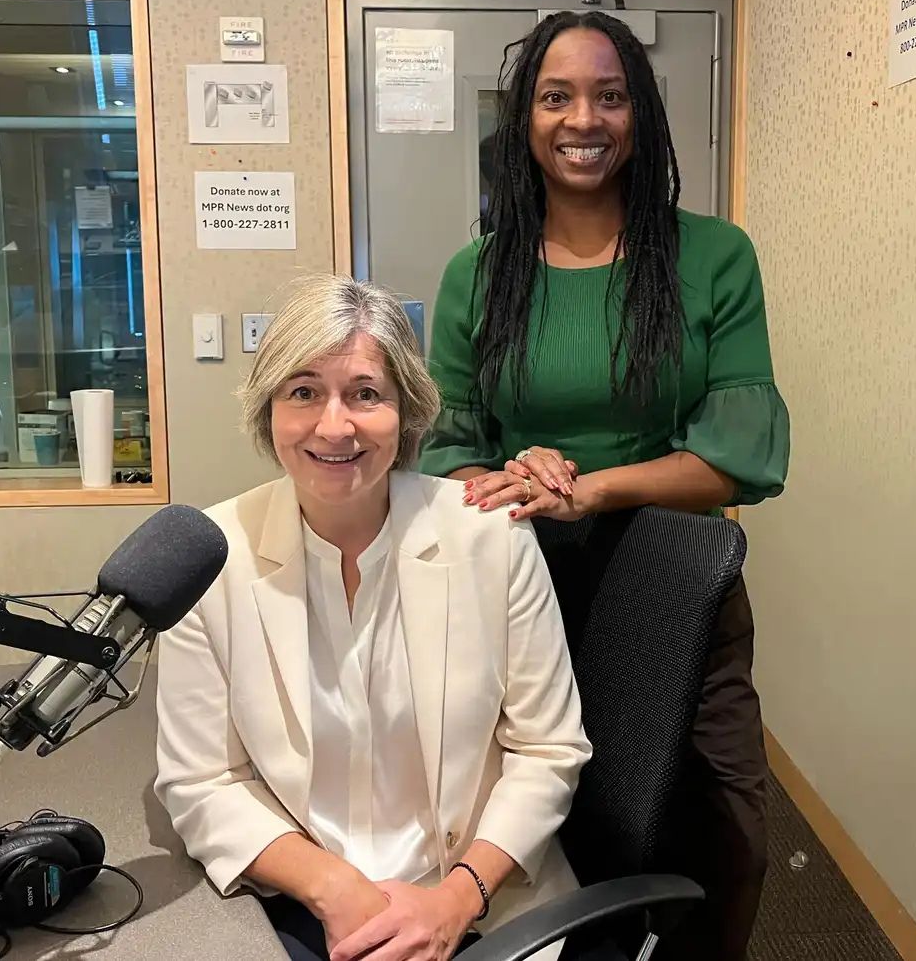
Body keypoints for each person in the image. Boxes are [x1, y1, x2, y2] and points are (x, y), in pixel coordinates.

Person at [420, 11, 791, 959]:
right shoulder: (479, 274)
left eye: (609, 94)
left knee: (728, 834)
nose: (583, 118)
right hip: (517, 582)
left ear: (641, 113)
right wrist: (508, 474)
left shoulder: (714, 256)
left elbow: (740, 456)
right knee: (550, 823)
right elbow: (443, 451)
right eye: (556, 96)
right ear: (525, 118)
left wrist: (593, 488)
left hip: (677, 580)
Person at [154, 274, 593, 961]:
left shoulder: (493, 538)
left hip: (485, 900)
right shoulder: (210, 556)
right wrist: (336, 890)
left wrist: (453, 901)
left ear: (407, 410)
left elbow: (547, 750)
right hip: (301, 901)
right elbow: (201, 780)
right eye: (303, 392)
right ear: (269, 409)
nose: (335, 425)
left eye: (365, 393)